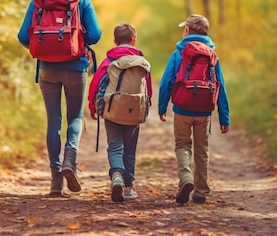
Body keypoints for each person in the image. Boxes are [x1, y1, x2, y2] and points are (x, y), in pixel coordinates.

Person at [17, 0, 102, 198]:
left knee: (53, 121)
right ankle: (69, 162)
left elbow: (23, 36)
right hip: (76, 67)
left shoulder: (39, 0)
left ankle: (56, 182)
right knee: (75, 116)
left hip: (47, 68)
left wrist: (45, 47)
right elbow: (94, 35)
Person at [158, 14, 230, 204]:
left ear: (188, 31)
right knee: (201, 150)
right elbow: (220, 85)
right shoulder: (212, 55)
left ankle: (186, 178)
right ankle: (201, 191)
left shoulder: (179, 53)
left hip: (182, 108)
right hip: (204, 111)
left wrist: (162, 106)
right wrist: (224, 118)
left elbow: (167, 81)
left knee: (182, 145)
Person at [87, 23, 159, 202]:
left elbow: (95, 84)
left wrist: (92, 106)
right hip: (134, 111)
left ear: (114, 41)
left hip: (113, 109)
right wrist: (145, 107)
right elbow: (148, 89)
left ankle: (117, 175)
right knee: (130, 149)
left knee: (115, 145)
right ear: (134, 41)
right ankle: (128, 187)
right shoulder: (142, 62)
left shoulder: (109, 61)